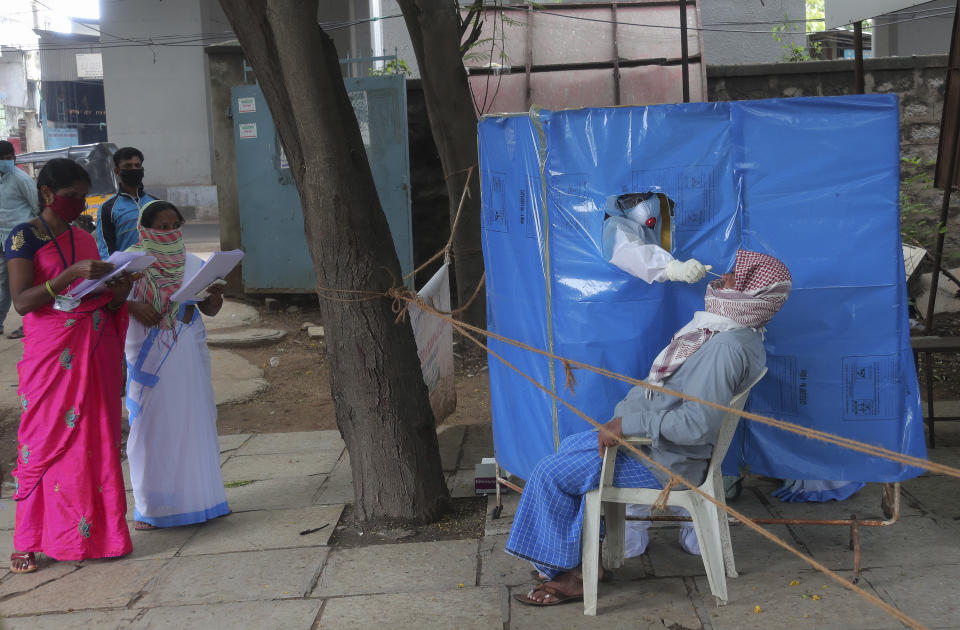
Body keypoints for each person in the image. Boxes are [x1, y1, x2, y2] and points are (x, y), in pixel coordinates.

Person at [507, 249, 792, 606]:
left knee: (550, 472)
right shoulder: (731, 334)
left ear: (751, 290)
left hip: (664, 462)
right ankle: (576, 562)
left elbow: (697, 425)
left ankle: (572, 575)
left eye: (736, 275)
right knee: (568, 452)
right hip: (652, 448)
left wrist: (628, 423)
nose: (724, 277)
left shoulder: (728, 348)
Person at [7, 158, 137, 573]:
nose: (79, 203)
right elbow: (22, 301)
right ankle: (27, 540)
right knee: (43, 440)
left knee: (94, 439)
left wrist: (117, 292)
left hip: (92, 345)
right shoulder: (22, 237)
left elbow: (95, 294)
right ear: (46, 194)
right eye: (71, 196)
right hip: (50, 352)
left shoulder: (84, 236)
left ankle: (100, 534)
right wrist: (69, 276)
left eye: (83, 195)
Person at [124, 200, 230, 530]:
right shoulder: (131, 263)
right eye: (162, 227)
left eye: (174, 227)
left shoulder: (192, 262)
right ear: (146, 228)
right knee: (152, 427)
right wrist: (132, 307)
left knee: (194, 418)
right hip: (150, 351)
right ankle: (152, 507)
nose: (169, 233)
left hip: (186, 347)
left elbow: (209, 309)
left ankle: (203, 499)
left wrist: (213, 295)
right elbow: (108, 299)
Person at [602, 192, 711, 284]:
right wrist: (672, 269)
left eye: (645, 195)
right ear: (617, 205)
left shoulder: (668, 209)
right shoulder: (614, 226)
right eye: (630, 201)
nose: (641, 203)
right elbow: (627, 251)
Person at [0, 141, 39, 338]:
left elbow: (37, 207)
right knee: (3, 283)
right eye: (2, 159)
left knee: (25, 284)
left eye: (10, 158)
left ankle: (29, 324)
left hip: (21, 240)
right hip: (2, 240)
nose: (6, 162)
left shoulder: (21, 179)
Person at [94, 147, 156, 259]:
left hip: (156, 272)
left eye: (137, 166)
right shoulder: (107, 208)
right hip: (128, 274)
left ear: (142, 169)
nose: (133, 169)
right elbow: (106, 250)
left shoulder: (156, 203)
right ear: (117, 171)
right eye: (128, 166)